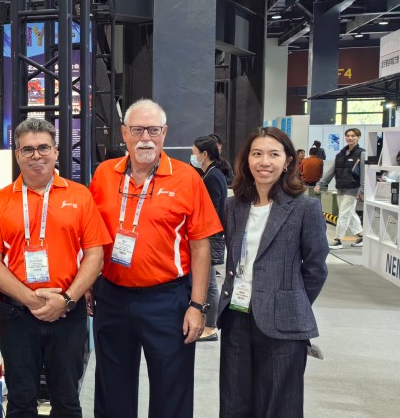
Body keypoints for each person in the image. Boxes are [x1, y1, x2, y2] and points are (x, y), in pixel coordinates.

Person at [88, 99, 223, 418]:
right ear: (124, 133)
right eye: (137, 130)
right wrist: (89, 282)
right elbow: (91, 235)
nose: (145, 138)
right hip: (112, 297)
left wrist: (198, 305)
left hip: (167, 300)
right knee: (112, 388)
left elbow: (200, 246)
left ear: (164, 133)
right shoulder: (104, 174)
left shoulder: (187, 178)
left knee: (170, 389)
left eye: (153, 130)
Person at [0, 118, 112, 417]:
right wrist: (31, 299)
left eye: (43, 148)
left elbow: (95, 256)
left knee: (67, 400)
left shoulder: (80, 196)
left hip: (68, 313)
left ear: (56, 151)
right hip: (17, 314)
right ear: (17, 155)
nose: (36, 155)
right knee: (21, 400)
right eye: (27, 149)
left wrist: (66, 299)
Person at [218, 127, 329, 418]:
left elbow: (316, 268)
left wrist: (290, 300)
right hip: (237, 315)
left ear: (288, 161)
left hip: (284, 321)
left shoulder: (305, 207)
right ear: (247, 159)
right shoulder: (233, 206)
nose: (264, 162)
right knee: (234, 402)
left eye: (273, 154)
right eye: (257, 154)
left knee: (280, 405)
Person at [192, 135, 231, 342]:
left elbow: (212, 209)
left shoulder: (213, 176)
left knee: (209, 282)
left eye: (194, 153)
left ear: (204, 154)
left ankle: (210, 326)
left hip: (210, 235)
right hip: (209, 233)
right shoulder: (211, 174)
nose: (192, 156)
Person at [316, 128, 365, 250]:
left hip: (353, 189)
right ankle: (362, 235)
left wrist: (362, 190)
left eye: (353, 136)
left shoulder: (362, 153)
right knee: (350, 213)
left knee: (343, 214)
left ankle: (338, 240)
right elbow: (331, 171)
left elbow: (364, 174)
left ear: (358, 137)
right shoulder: (340, 154)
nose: (350, 138)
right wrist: (320, 184)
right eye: (348, 135)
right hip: (341, 188)